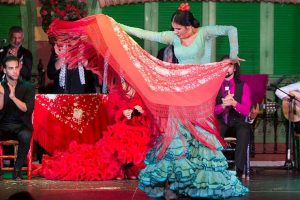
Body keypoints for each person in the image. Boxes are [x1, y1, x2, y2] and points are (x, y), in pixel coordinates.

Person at [46, 3, 248, 199]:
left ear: (189, 26)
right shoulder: (173, 37)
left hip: (198, 90)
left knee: (201, 139)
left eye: (178, 29)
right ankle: (177, 184)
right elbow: (144, 34)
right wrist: (116, 26)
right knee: (175, 138)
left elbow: (231, 29)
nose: (175, 32)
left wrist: (233, 54)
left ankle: (203, 184)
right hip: (178, 90)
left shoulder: (203, 33)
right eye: (173, 29)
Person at [215, 55, 252, 178]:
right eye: (223, 65)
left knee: (244, 130)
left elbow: (247, 111)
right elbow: (211, 111)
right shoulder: (215, 86)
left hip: (237, 121)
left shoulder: (243, 86)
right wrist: (223, 106)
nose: (226, 68)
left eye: (229, 65)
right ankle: (215, 168)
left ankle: (238, 170)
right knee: (213, 130)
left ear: (235, 68)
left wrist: (234, 103)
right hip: (221, 121)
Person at [0, 56, 35, 180]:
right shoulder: (1, 86)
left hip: (21, 125)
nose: (14, 71)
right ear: (4, 70)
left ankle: (17, 169)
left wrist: (13, 97)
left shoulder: (28, 87)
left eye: (16, 67)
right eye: (10, 68)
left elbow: (27, 109)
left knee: (26, 135)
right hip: (3, 125)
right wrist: (2, 94)